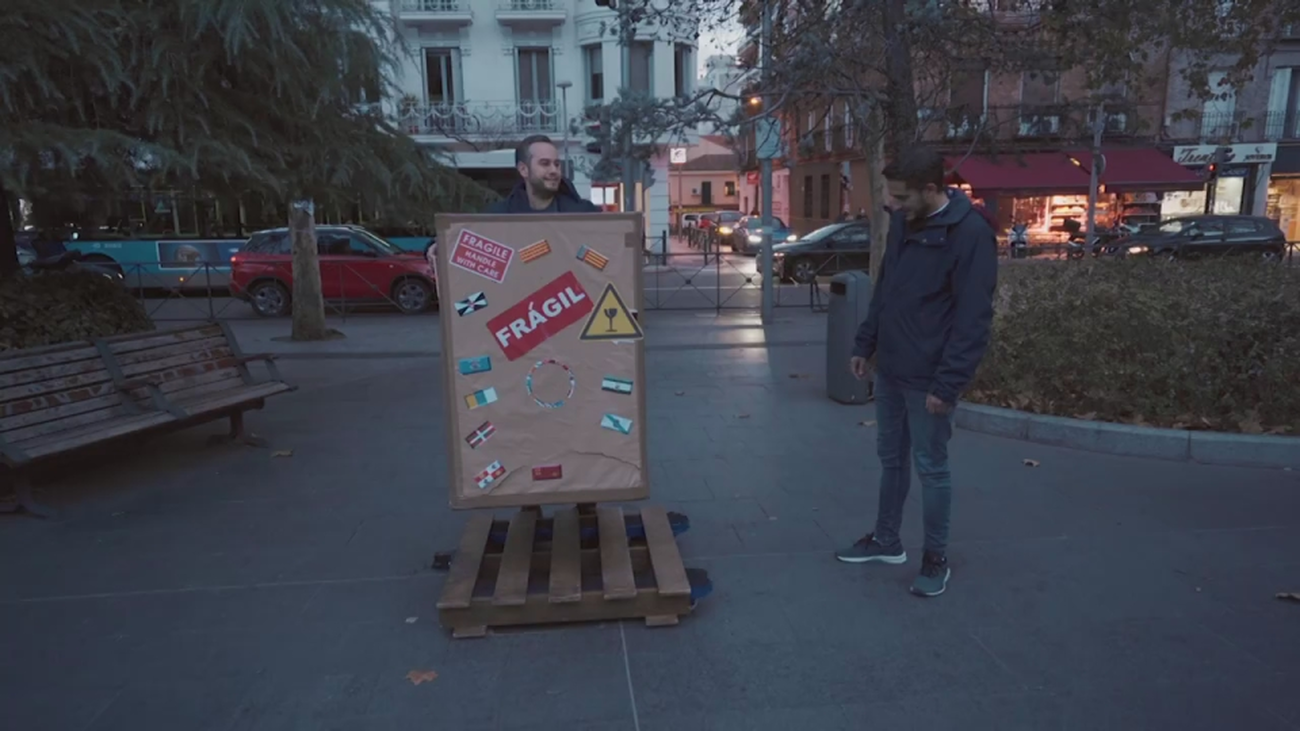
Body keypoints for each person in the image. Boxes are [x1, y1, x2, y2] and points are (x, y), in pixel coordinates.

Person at [835, 145, 998, 598]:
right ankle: (887, 541)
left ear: (932, 189)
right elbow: (887, 287)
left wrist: (948, 384)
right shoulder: (907, 222)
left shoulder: (970, 234)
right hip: (891, 367)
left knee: (932, 468)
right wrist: (866, 343)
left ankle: (935, 558)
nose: (893, 204)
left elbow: (973, 319)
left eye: (901, 197)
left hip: (929, 377)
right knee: (891, 459)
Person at [487, 135, 600, 214]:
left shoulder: (584, 213)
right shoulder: (499, 217)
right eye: (545, 164)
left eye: (556, 164)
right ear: (523, 169)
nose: (554, 170)